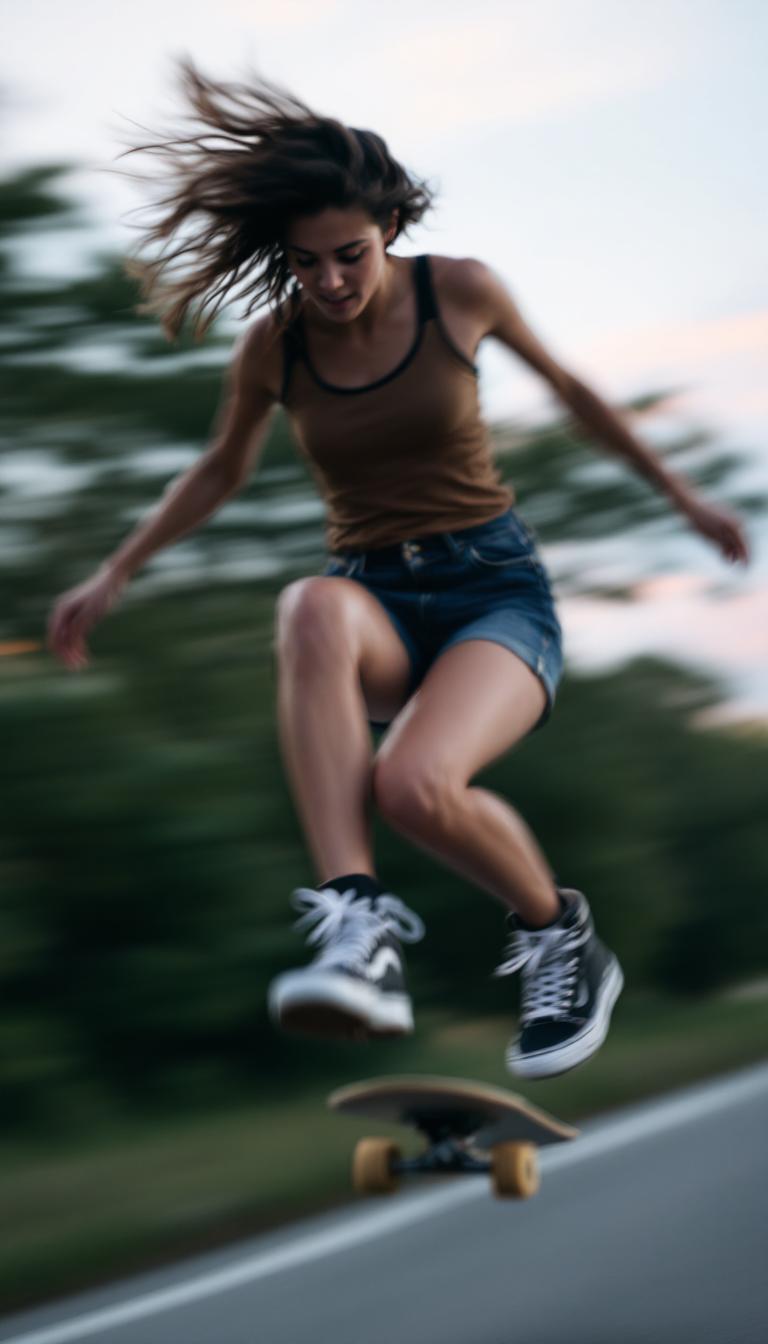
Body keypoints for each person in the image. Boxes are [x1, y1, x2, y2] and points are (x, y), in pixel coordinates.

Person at [47, 63, 750, 1079]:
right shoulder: (275, 349)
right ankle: (358, 926)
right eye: (308, 264)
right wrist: (114, 573)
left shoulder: (458, 291)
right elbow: (219, 471)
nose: (331, 281)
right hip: (376, 598)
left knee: (415, 786)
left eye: (350, 255)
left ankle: (562, 939)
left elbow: (573, 392)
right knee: (310, 608)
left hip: (494, 594)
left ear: (387, 227)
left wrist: (681, 495)